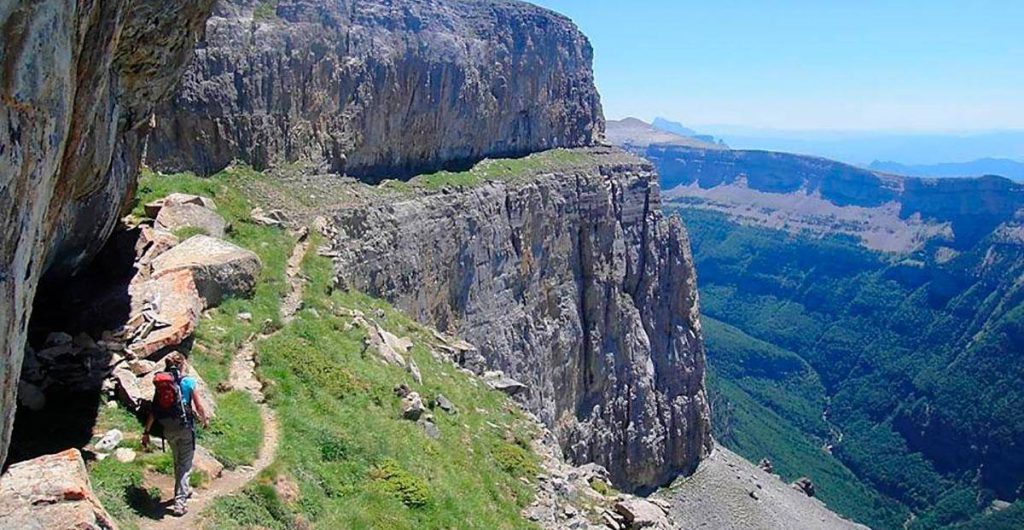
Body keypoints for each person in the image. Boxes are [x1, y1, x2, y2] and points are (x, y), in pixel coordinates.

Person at [142, 352, 210, 517]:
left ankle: (184, 489)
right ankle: (180, 503)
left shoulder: (162, 385)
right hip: (185, 428)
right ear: (182, 365)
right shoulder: (188, 382)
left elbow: (154, 409)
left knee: (178, 460)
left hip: (168, 428)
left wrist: (146, 432)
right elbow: (199, 406)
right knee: (185, 465)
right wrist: (205, 419)